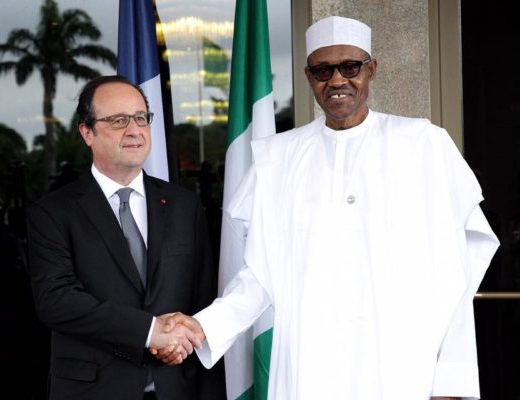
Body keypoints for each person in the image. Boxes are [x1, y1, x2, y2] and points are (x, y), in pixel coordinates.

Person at [155, 16, 500, 400]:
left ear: (372, 70)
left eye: (350, 66)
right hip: (310, 362)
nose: (336, 80)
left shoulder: (424, 146)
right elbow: (259, 277)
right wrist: (204, 327)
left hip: (399, 364)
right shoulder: (277, 158)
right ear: (308, 76)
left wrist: (449, 376)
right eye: (323, 70)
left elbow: (457, 273)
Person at [26, 75, 226, 400]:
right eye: (118, 120)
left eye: (140, 118)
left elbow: (201, 296)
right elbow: (56, 300)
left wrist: (183, 340)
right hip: (94, 390)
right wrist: (150, 333)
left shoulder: (184, 205)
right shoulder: (52, 212)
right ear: (86, 132)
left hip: (177, 386)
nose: (134, 130)